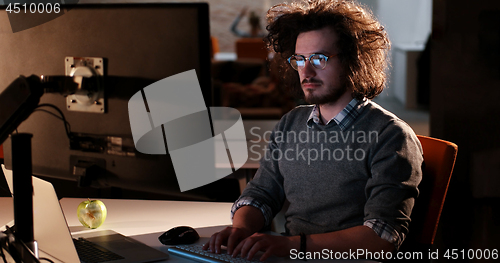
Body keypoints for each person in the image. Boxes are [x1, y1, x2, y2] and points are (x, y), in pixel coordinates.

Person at [204, 0, 423, 261]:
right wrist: (240, 229)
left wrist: (294, 246)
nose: (305, 71)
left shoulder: (391, 136)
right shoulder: (291, 123)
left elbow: (382, 237)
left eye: (319, 58)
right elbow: (261, 194)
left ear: (355, 60)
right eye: (299, 59)